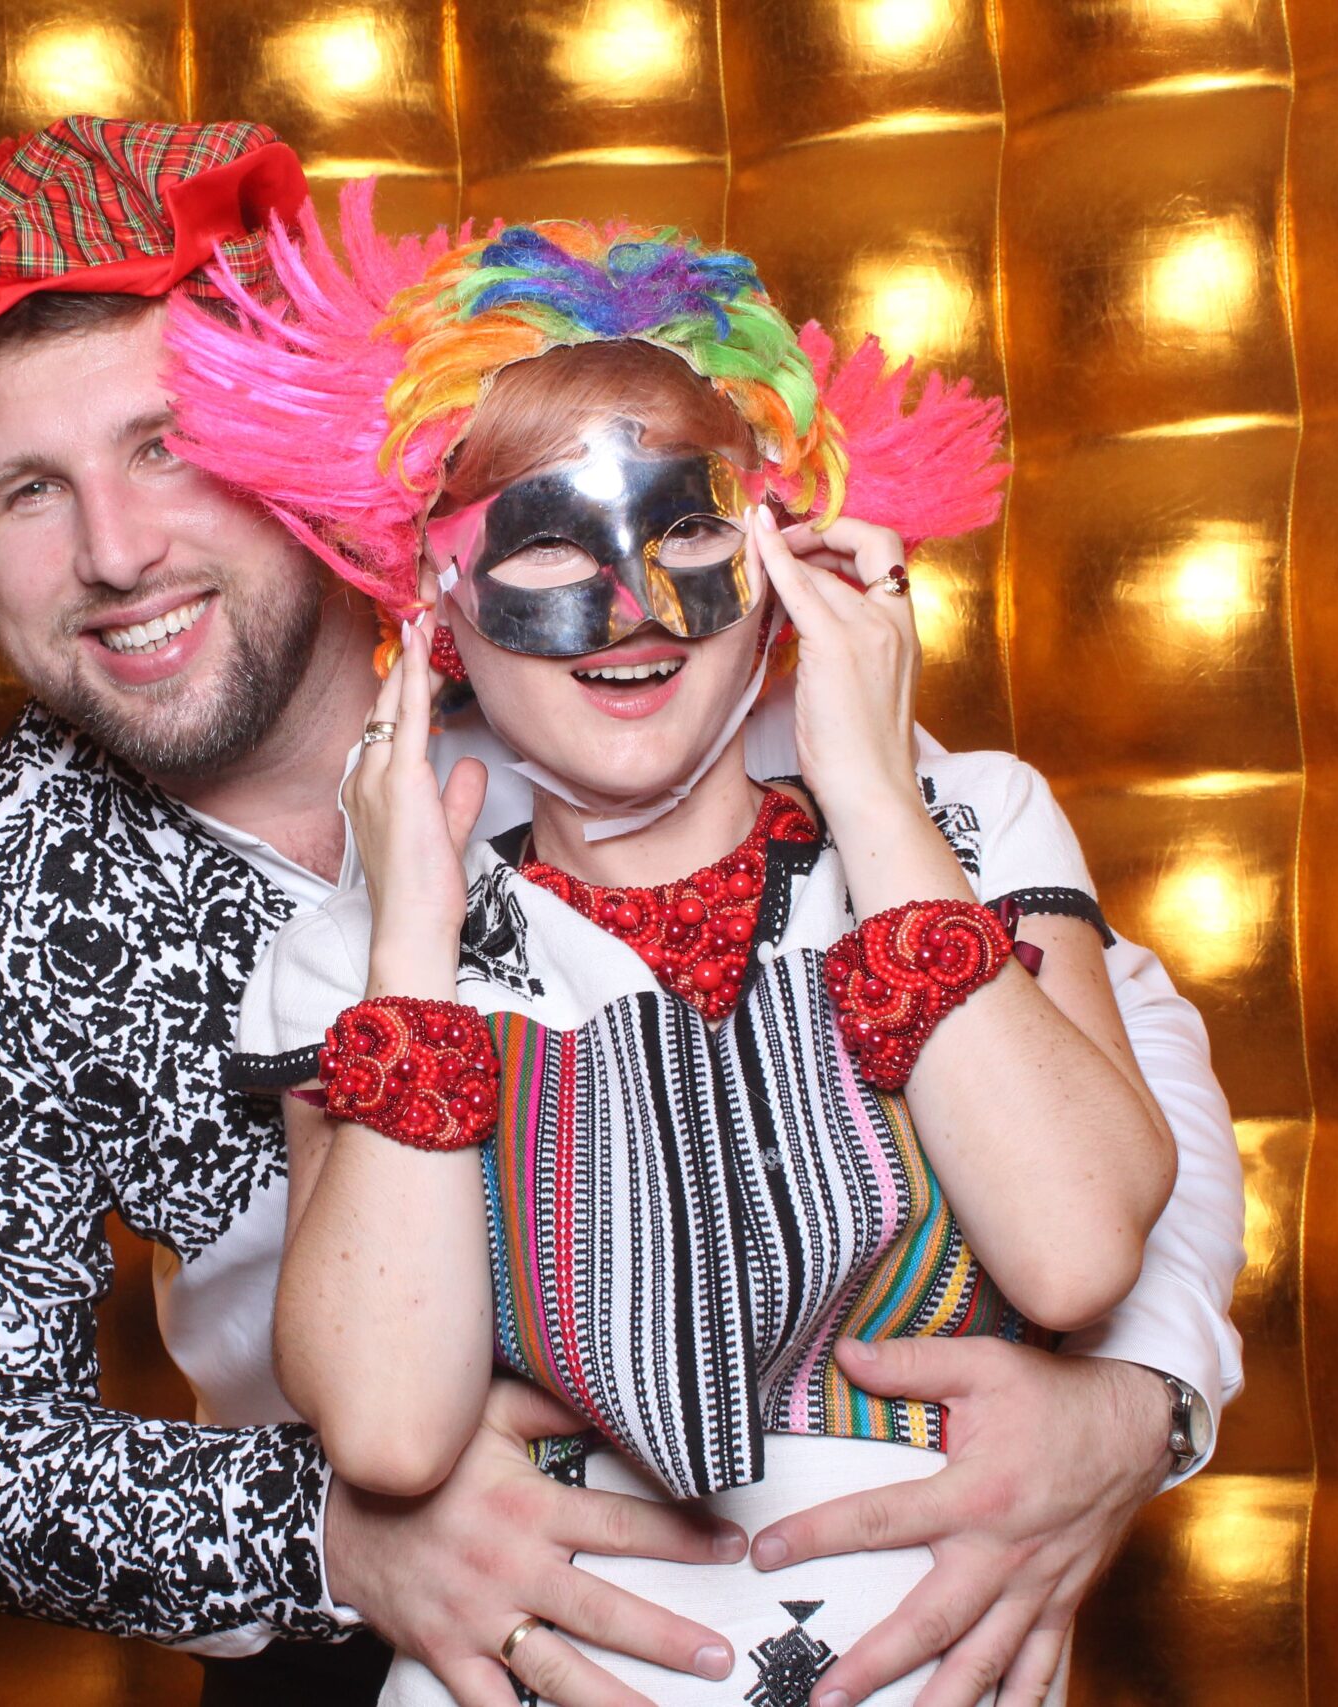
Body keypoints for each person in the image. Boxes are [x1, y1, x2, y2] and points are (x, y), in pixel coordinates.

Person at [0, 116, 1245, 1707]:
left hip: (864, 1547)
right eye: (27, 490)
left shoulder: (629, 653)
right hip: (371, 1630)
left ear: (285, 436)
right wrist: (336, 1539)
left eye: (164, 445)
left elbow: (1099, 1025)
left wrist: (1140, 1396)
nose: (116, 551)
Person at [172, 191, 1187, 1707]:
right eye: (541, 549)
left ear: (780, 546)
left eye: (692, 527)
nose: (632, 610)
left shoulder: (971, 832)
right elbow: (385, 1425)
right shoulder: (363, 957)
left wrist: (873, 796)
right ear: (435, 603)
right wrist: (413, 951)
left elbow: (1078, 1246)